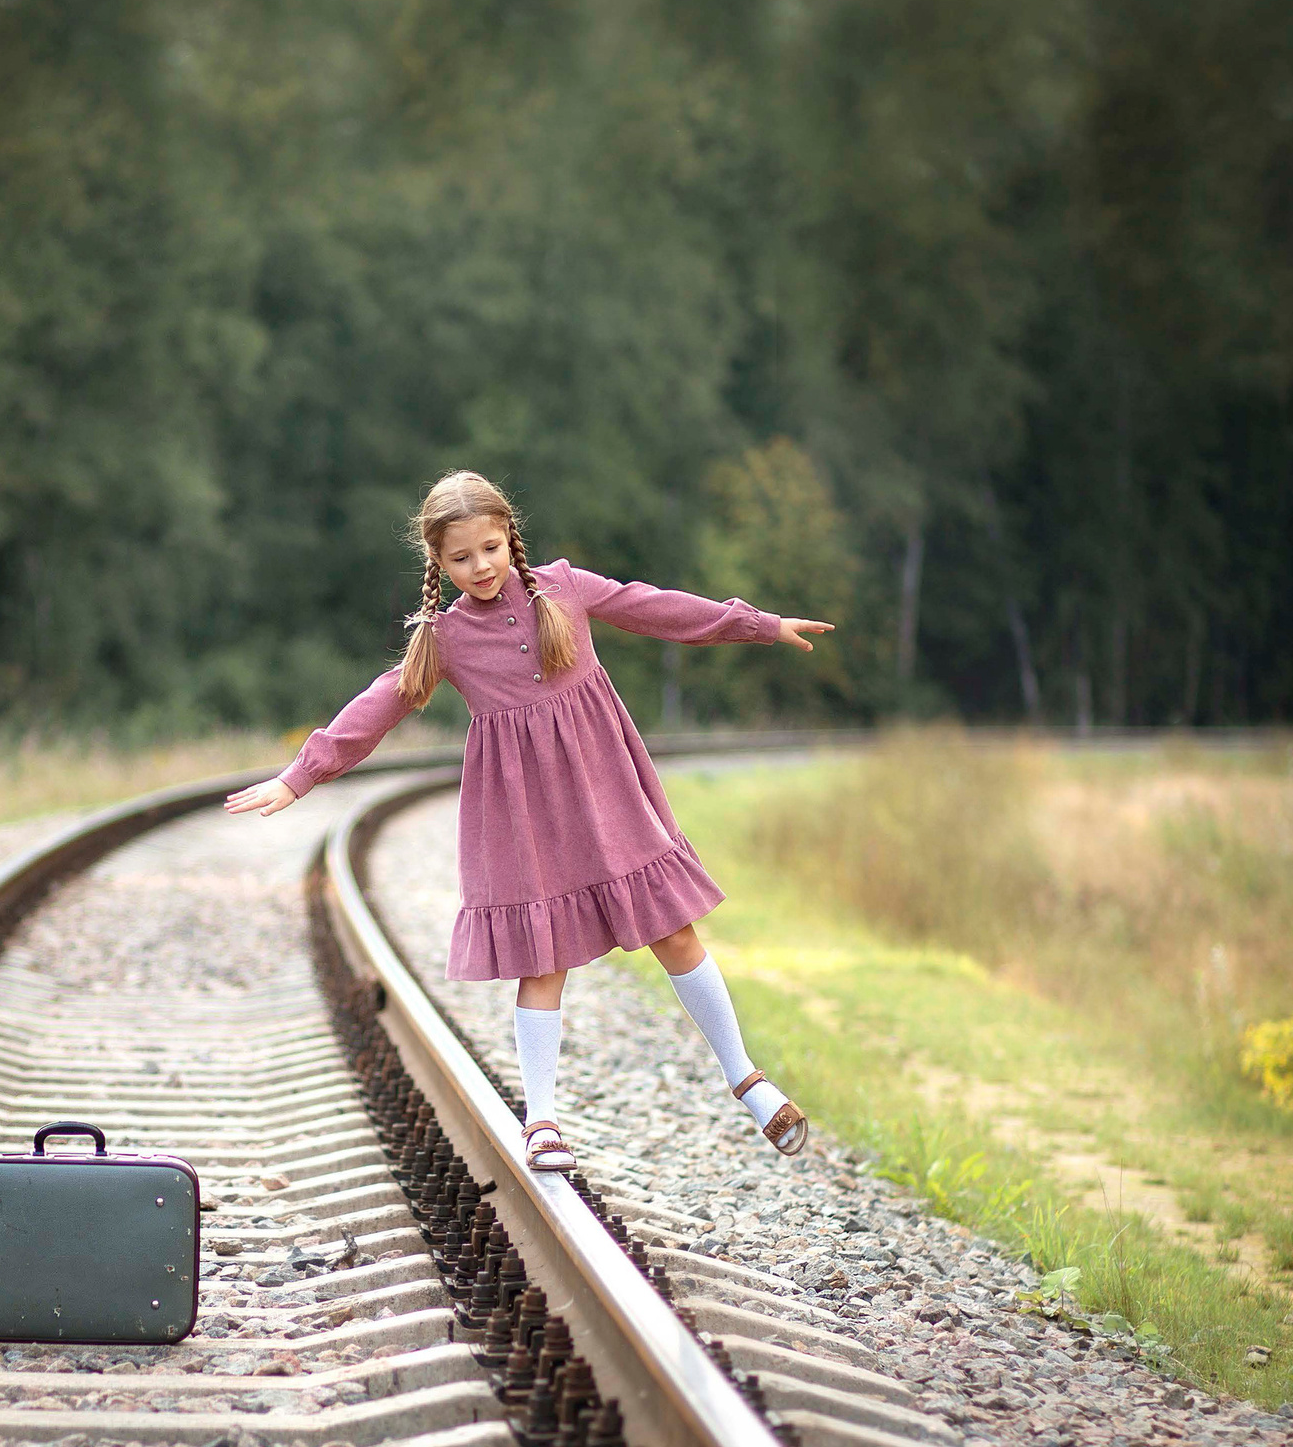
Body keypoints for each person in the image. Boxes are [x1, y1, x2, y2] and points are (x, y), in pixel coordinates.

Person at [224, 470, 835, 1173]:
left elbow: (653, 608)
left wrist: (757, 623)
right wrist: (298, 777)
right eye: (461, 557)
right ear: (439, 563)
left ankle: (747, 1081)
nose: (480, 567)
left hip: (606, 790)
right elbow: (377, 705)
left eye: (490, 548)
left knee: (674, 930)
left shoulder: (564, 588)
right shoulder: (444, 638)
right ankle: (540, 1122)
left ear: (509, 537)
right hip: (523, 814)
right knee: (543, 959)